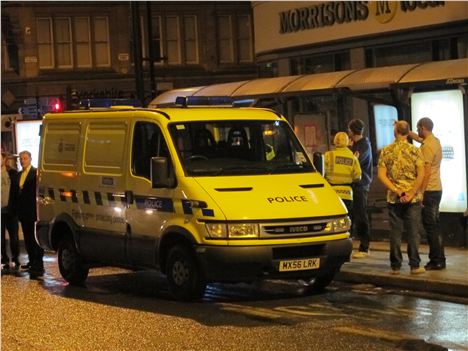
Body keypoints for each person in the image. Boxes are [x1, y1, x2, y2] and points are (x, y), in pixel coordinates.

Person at [378, 120, 425, 275]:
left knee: (395, 232)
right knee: (413, 232)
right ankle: (414, 265)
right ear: (408, 132)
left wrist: (397, 190)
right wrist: (411, 193)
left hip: (394, 198)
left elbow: (381, 175)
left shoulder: (386, 151)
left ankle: (396, 265)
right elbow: (421, 174)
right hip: (413, 198)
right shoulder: (415, 151)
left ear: (395, 132)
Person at [409, 117, 445, 270]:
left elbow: (427, 171)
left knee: (431, 227)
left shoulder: (427, 147)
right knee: (434, 225)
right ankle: (439, 258)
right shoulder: (433, 141)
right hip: (437, 188)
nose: (417, 131)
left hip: (429, 190)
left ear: (423, 127)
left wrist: (421, 192)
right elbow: (419, 139)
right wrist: (408, 132)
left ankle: (437, 260)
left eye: (418, 128)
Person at [347, 119, 373, 258]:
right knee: (350, 215)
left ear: (351, 130)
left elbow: (353, 161)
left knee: (361, 215)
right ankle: (350, 244)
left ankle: (364, 247)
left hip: (361, 184)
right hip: (352, 185)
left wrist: (350, 149)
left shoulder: (363, 145)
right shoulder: (356, 144)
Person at [17, 150, 44, 275]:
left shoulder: (35, 173)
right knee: (27, 238)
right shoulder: (19, 175)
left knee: (35, 238)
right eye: (21, 159)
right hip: (23, 212)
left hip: (33, 211)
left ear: (30, 159)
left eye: (25, 158)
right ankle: (31, 260)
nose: (22, 161)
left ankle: (38, 263)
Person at [324, 132, 361, 216]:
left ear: (335, 141)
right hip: (347, 194)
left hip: (332, 194)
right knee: (347, 220)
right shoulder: (353, 157)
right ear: (347, 142)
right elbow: (358, 177)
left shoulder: (328, 155)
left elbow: (321, 173)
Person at [1, 151, 20, 270]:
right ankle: (4, 258)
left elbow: (17, 192)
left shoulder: (12, 173)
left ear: (4, 160)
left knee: (14, 236)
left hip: (11, 210)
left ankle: (15, 258)